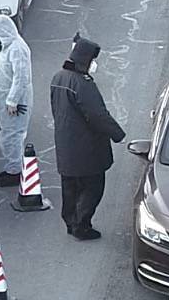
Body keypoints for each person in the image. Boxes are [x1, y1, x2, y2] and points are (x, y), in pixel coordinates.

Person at [49, 34, 124, 240]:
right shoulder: (82, 84)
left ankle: (71, 222)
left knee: (70, 188)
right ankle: (82, 225)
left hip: (65, 145)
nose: (94, 65)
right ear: (85, 60)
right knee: (92, 188)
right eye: (93, 60)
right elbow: (97, 114)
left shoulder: (59, 78)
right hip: (87, 149)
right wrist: (118, 134)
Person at [0, 12, 32, 186]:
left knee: (12, 135)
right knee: (7, 134)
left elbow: (21, 77)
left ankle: (15, 172)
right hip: (5, 102)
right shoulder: (5, 45)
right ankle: (13, 166)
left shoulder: (17, 49)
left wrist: (12, 100)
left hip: (14, 105)